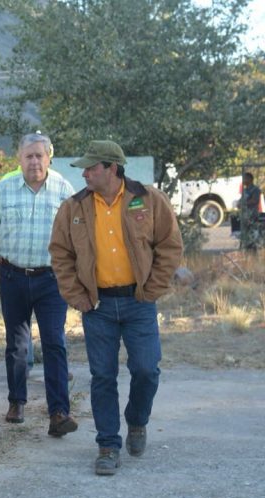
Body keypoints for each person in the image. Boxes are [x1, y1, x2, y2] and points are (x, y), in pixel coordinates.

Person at [49, 140, 183, 476]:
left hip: (139, 303)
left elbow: (170, 244)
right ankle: (108, 445)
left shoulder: (148, 199)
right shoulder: (74, 207)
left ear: (112, 168)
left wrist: (152, 289)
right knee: (103, 377)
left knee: (146, 369)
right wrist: (77, 296)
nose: (85, 173)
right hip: (98, 306)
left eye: (91, 168)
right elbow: (60, 254)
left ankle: (137, 421)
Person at [0, 133, 78, 437]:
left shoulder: (63, 189)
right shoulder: (5, 187)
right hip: (13, 276)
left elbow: (76, 235)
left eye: (39, 156)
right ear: (19, 159)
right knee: (17, 344)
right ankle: (16, 402)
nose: (34, 161)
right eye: (28, 156)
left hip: (51, 278)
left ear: (49, 157)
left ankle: (59, 411)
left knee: (54, 342)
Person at [240, 171, 261, 251]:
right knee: (245, 232)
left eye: (245, 178)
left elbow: (255, 200)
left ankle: (253, 248)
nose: (243, 180)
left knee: (252, 232)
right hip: (244, 215)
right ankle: (246, 247)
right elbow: (241, 200)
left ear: (250, 179)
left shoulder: (255, 189)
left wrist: (244, 203)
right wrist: (239, 203)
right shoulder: (245, 190)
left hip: (252, 214)